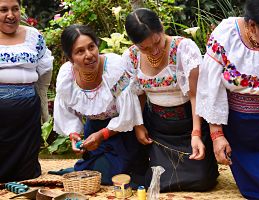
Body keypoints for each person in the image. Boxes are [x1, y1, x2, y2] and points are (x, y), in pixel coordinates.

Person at [196, 0, 259, 199]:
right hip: (244, 133)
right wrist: (217, 136)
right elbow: (210, 90)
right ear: (252, 25)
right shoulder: (226, 36)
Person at [123, 8, 219, 192]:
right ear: (135, 44)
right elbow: (138, 95)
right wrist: (138, 125)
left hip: (189, 123)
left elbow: (195, 95)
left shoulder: (183, 48)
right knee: (157, 181)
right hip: (158, 129)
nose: (154, 51)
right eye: (145, 47)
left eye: (157, 42)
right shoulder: (131, 57)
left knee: (201, 181)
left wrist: (196, 133)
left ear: (162, 28)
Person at [53, 24, 147, 185]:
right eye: (80, 51)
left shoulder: (114, 68)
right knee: (92, 174)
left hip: (123, 131)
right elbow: (66, 110)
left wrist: (103, 135)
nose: (89, 55)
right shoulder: (66, 76)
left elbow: (129, 111)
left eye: (91, 47)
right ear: (70, 58)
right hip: (93, 132)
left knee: (109, 174)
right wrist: (74, 135)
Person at [0, 0, 53, 182]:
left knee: (27, 170)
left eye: (15, 9)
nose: (11, 15)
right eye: (3, 10)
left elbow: (44, 68)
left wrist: (42, 101)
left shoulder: (33, 36)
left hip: (28, 111)